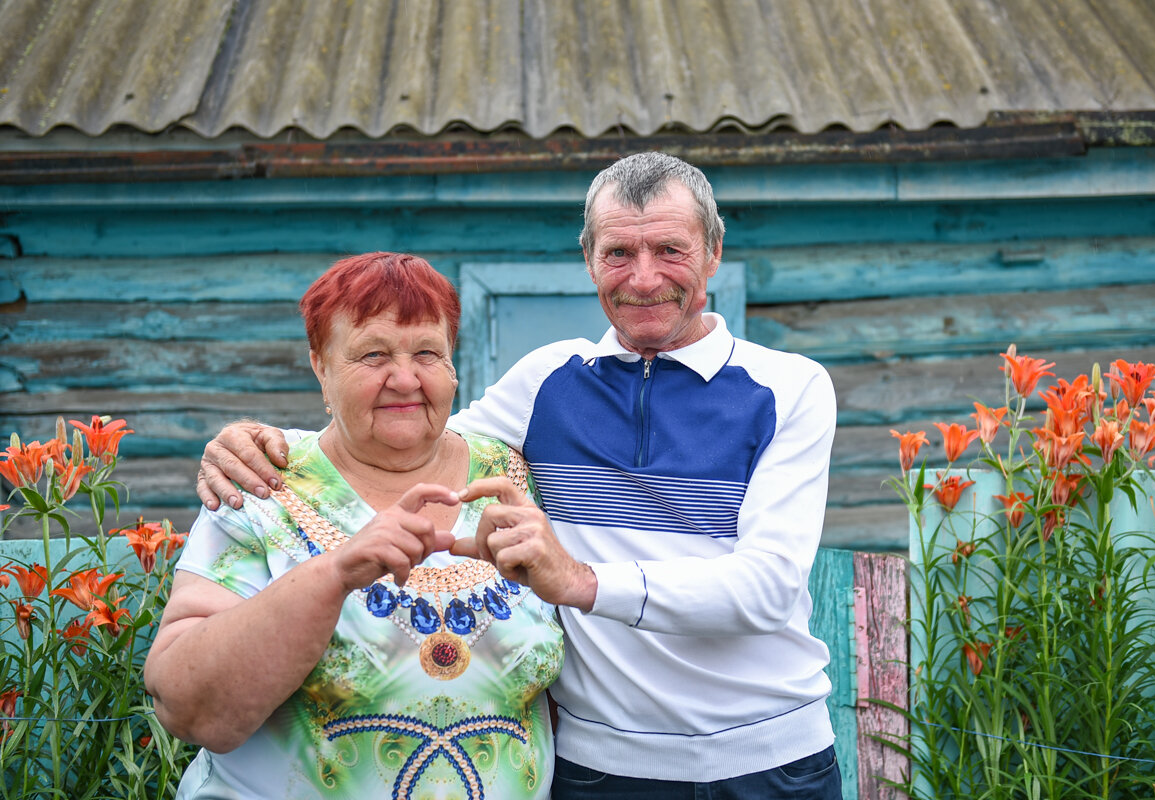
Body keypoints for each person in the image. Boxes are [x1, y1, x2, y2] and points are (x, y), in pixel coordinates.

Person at [198, 153, 842, 798]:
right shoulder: (548, 381)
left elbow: (769, 587)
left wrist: (582, 582)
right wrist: (261, 443)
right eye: (618, 253)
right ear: (589, 260)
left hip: (771, 760)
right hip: (602, 770)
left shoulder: (789, 387)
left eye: (670, 250)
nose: (644, 278)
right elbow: (412, 432)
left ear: (714, 252)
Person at [145, 252, 564, 799]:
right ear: (320, 366)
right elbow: (189, 710)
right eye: (373, 355)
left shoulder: (514, 475)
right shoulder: (261, 486)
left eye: (427, 353)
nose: (405, 379)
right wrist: (333, 573)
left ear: (453, 365)